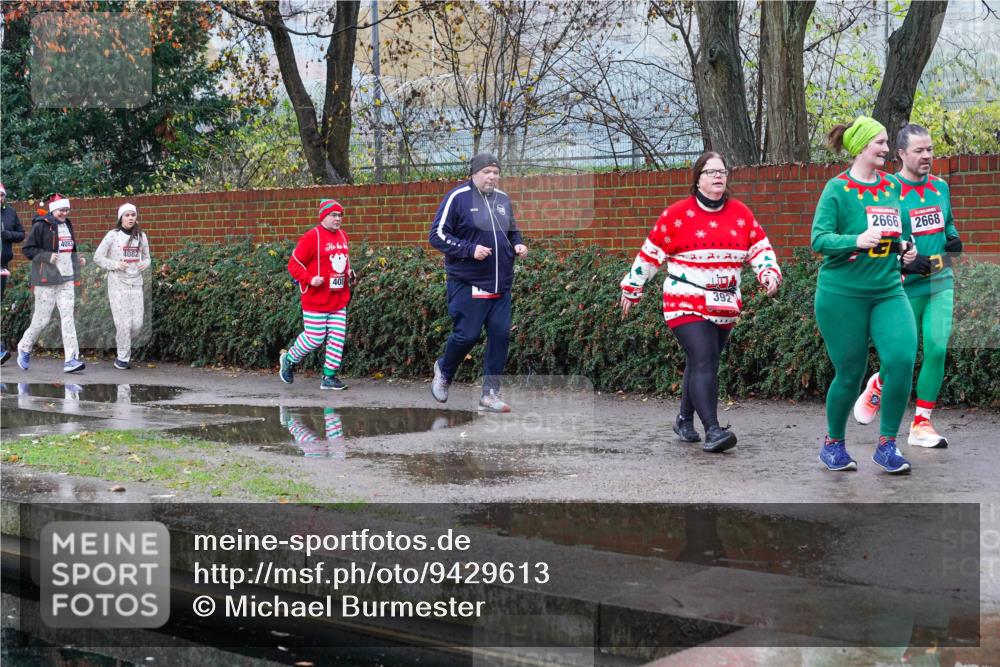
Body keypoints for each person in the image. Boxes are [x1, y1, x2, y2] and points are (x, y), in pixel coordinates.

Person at [619, 152, 782, 453]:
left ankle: (683, 419)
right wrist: (632, 287)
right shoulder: (677, 214)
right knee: (705, 358)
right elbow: (651, 253)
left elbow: (759, 247)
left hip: (724, 302)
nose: (719, 176)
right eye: (711, 172)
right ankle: (713, 430)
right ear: (698, 179)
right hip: (685, 299)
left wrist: (768, 272)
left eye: (722, 171)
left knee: (703, 362)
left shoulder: (740, 213)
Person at [812, 116, 919, 474]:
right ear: (861, 147)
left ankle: (887, 445)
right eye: (881, 143)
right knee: (850, 372)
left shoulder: (891, 187)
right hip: (842, 295)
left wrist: (905, 250)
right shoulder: (837, 190)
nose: (887, 150)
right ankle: (833, 445)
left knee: (902, 358)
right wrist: (854, 240)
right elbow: (819, 240)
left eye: (887, 143)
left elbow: (895, 234)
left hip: (888, 290)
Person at [852, 124, 962, 449]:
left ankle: (921, 423)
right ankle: (879, 385)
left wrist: (953, 237)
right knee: (900, 357)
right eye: (919, 150)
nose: (927, 155)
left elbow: (948, 220)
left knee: (938, 347)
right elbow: (875, 239)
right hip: (902, 288)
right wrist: (902, 260)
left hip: (940, 281)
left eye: (930, 149)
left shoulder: (940, 187)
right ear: (900, 153)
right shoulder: (886, 190)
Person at [428, 152, 528, 413]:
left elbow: (512, 230)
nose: (492, 176)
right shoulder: (457, 198)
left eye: (496, 172)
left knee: (500, 335)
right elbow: (437, 235)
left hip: (501, 284)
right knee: (467, 335)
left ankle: (490, 394)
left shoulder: (503, 200)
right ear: (474, 173)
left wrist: (517, 243)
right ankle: (444, 370)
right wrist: (469, 249)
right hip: (468, 282)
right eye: (487, 172)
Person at [279, 199, 355, 390]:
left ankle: (329, 377)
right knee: (315, 337)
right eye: (333, 215)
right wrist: (310, 279)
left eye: (340, 215)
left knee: (337, 337)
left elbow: (343, 262)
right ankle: (288, 359)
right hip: (316, 299)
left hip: (338, 298)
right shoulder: (312, 237)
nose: (338, 219)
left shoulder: (343, 236)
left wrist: (349, 273)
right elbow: (293, 264)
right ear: (323, 216)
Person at [16, 193, 87, 373]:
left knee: (68, 318)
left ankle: (71, 359)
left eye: (67, 210)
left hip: (67, 279)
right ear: (54, 210)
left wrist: (77, 259)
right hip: (46, 279)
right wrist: (47, 256)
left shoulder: (68, 224)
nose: (65, 213)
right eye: (62, 210)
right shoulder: (41, 225)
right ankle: (24, 347)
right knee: (42, 319)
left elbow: (68, 249)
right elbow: (28, 250)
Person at [93, 203, 151, 369]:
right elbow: (98, 257)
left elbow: (147, 257)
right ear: (121, 217)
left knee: (137, 325)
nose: (131, 218)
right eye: (127, 215)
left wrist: (145, 264)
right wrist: (116, 264)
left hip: (136, 283)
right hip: (117, 284)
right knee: (123, 324)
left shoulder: (141, 236)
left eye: (133, 214)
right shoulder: (113, 235)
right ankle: (122, 358)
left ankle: (122, 340)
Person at [1, 182, 26, 365]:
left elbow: (21, 234)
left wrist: (7, 234)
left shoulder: (10, 213)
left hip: (2, 267)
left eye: (1, 195)